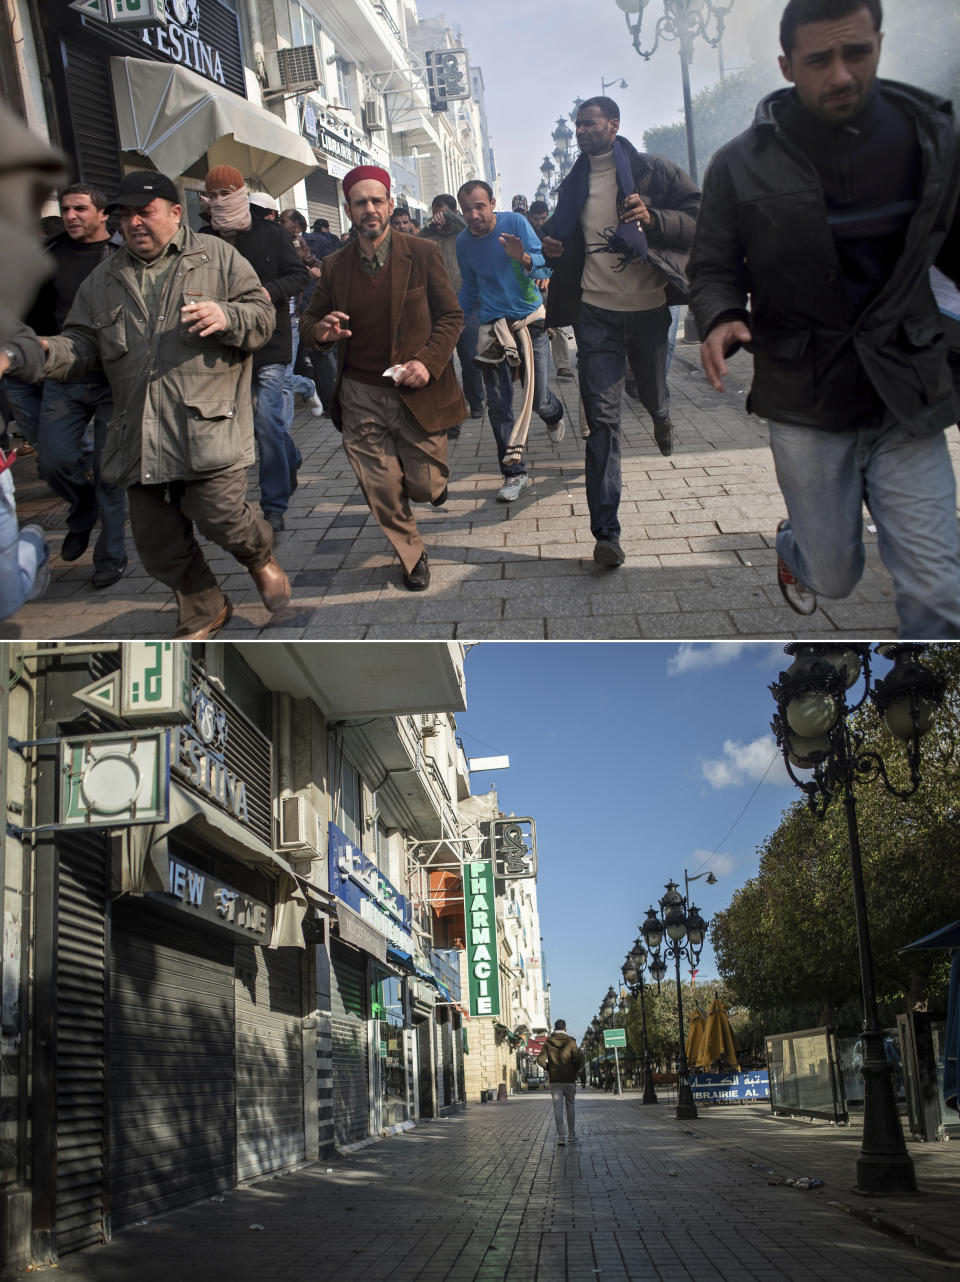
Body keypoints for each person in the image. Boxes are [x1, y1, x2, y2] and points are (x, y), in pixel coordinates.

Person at [689, 0, 960, 637]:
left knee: (940, 591)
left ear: (879, 44)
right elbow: (712, 266)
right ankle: (796, 548)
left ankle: (921, 695)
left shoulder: (934, 143)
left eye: (857, 53)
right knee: (834, 574)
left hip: (905, 390)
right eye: (819, 60)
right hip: (804, 394)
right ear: (787, 65)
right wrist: (722, 315)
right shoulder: (738, 163)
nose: (841, 75)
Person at [12, 169, 289, 639]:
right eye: (125, 214)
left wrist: (227, 315)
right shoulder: (105, 277)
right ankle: (205, 607)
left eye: (146, 212)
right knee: (156, 545)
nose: (134, 222)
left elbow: (262, 317)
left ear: (176, 213)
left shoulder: (217, 257)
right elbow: (81, 345)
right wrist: (31, 353)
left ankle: (258, 557)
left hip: (206, 425)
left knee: (222, 517)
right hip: (137, 430)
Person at [542, 96, 699, 567]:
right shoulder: (574, 182)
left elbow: (698, 221)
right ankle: (606, 533)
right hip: (596, 313)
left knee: (651, 391)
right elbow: (563, 236)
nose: (581, 131)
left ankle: (662, 412)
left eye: (589, 124)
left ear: (613, 125)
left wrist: (654, 220)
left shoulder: (654, 170)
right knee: (603, 422)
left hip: (649, 308)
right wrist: (553, 246)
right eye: (577, 125)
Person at [299, 165, 466, 592]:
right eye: (361, 202)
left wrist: (428, 362)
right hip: (360, 392)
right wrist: (320, 332)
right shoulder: (335, 266)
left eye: (377, 200)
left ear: (391, 204)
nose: (370, 209)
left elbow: (451, 316)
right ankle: (411, 555)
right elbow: (311, 319)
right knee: (380, 484)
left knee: (426, 486)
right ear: (348, 210)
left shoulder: (422, 253)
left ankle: (430, 488)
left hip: (417, 388)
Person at [5, 182, 128, 589]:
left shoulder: (123, 255)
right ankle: (82, 505)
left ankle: (110, 556)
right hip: (64, 372)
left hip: (114, 375)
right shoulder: (50, 254)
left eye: (80, 208)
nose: (71, 215)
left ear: (103, 214)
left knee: (109, 472)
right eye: (66, 209)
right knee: (53, 461)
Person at [200, 166, 309, 533]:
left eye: (225, 194)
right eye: (211, 196)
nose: (218, 202)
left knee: (265, 420)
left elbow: (298, 275)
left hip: (269, 339)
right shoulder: (202, 239)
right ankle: (289, 456)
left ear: (241, 192)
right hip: (225, 342)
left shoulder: (271, 233)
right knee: (261, 424)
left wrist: (268, 292)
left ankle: (274, 504)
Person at [457, 180, 565, 503]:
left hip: (530, 323)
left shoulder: (516, 223)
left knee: (537, 399)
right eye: (466, 210)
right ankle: (514, 473)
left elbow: (545, 266)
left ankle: (555, 414)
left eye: (479, 206)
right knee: (499, 404)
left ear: (492, 202)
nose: (473, 215)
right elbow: (470, 288)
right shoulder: (463, 242)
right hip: (492, 327)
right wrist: (455, 319)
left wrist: (526, 259)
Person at [420, 193, 484, 420]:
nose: (439, 217)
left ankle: (476, 401)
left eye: (444, 212)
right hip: (437, 309)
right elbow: (415, 243)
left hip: (467, 305)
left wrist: (450, 217)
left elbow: (470, 227)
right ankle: (451, 410)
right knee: (443, 361)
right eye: (436, 212)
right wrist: (430, 226)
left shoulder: (464, 233)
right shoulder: (427, 237)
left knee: (470, 357)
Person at [528, 198, 574, 380]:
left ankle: (563, 366)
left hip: (552, 285)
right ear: (530, 218)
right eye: (536, 219)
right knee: (534, 328)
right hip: (531, 287)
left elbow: (562, 258)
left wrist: (548, 274)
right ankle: (534, 368)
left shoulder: (556, 231)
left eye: (543, 218)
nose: (540, 222)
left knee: (558, 324)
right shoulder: (526, 232)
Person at [536, 1019, 584, 1145]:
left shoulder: (548, 1042)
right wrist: (574, 1069)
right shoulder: (571, 1042)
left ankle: (561, 1137)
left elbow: (540, 1060)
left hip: (555, 1079)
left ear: (554, 1029)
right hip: (569, 1080)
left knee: (558, 1109)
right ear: (565, 1029)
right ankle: (571, 1136)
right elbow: (578, 1059)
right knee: (570, 1106)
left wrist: (549, 1069)